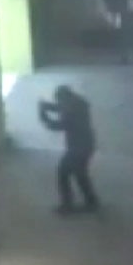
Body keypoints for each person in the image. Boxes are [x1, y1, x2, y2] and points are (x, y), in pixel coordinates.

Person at [39, 85, 99, 215]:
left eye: (59, 100)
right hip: (86, 145)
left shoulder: (71, 110)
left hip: (78, 148)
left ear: (64, 97)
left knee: (63, 173)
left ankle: (68, 205)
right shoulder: (77, 103)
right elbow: (59, 107)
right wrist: (47, 106)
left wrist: (45, 118)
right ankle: (92, 201)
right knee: (80, 174)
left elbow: (58, 125)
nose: (59, 103)